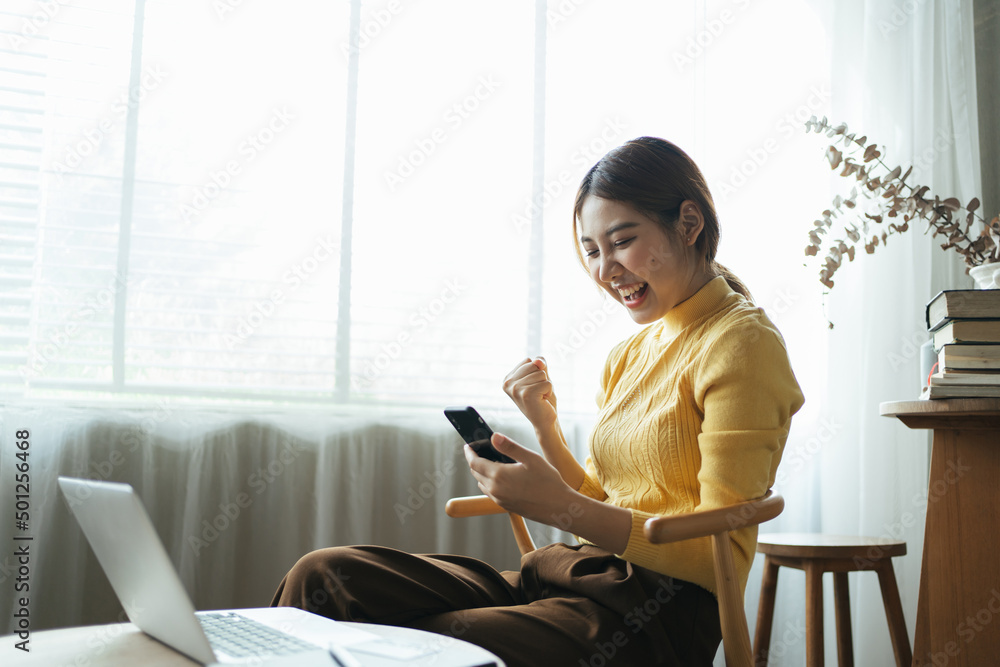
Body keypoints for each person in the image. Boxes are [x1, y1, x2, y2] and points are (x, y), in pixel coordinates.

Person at [271, 136, 804, 666]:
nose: (604, 270)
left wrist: (555, 505)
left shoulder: (742, 344)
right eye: (592, 251)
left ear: (689, 224)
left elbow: (719, 560)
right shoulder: (632, 352)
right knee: (323, 575)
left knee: (423, 642)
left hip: (654, 613)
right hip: (575, 576)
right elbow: (606, 497)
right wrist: (545, 427)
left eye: (621, 241)